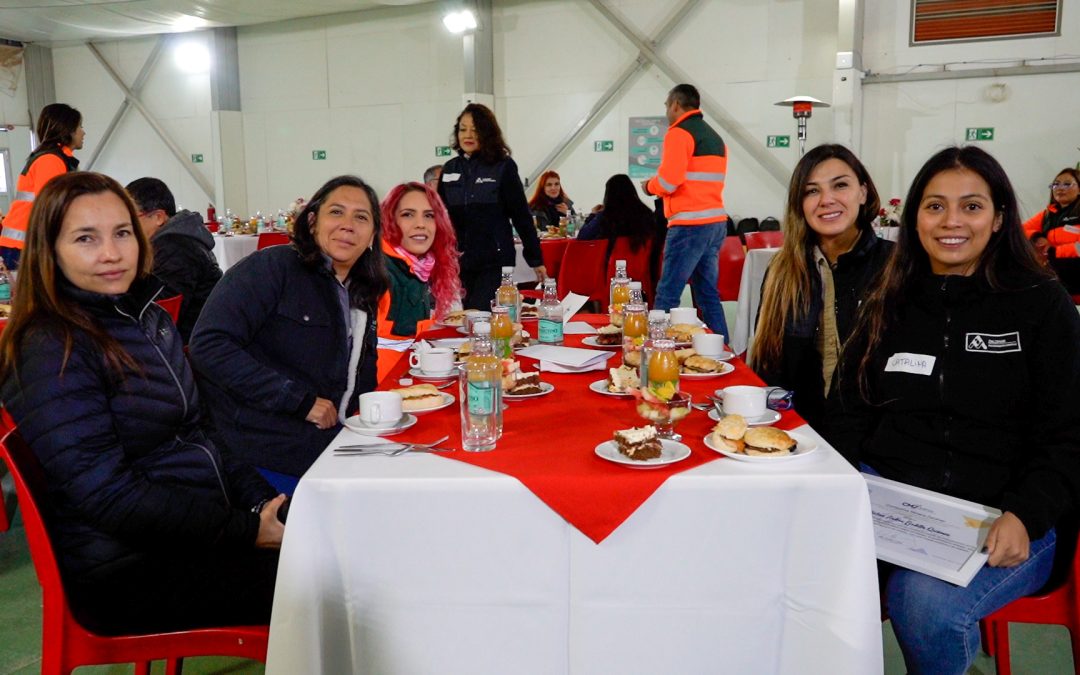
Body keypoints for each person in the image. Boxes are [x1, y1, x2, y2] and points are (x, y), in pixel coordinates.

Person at [831, 146, 1080, 675]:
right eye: (935, 206)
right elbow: (849, 411)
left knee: (923, 604)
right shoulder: (888, 299)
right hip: (895, 501)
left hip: (1006, 515)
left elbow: (1068, 432)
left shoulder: (1040, 303)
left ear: (999, 218)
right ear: (915, 216)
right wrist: (841, 486)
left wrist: (1026, 513)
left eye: (971, 207)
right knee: (797, 570)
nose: (951, 222)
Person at [0, 171, 283, 635]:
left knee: (338, 545)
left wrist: (263, 506)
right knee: (327, 588)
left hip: (192, 531)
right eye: (86, 238)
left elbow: (204, 433)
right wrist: (249, 531)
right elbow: (109, 497)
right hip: (125, 570)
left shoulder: (145, 317)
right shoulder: (50, 346)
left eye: (122, 233)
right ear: (49, 250)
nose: (111, 253)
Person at [189, 175, 386, 495]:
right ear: (312, 221)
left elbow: (364, 374)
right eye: (336, 212)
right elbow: (208, 345)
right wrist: (299, 402)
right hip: (267, 447)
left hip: (336, 440)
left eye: (361, 217)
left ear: (372, 235)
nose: (348, 225)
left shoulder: (362, 292)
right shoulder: (272, 268)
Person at [749, 144, 892, 430]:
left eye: (840, 185)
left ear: (863, 192)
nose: (826, 199)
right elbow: (769, 366)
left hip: (877, 440)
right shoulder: (782, 272)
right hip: (800, 433)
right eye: (812, 191)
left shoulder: (896, 266)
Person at [438, 103, 545, 309]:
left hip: (495, 261)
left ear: (487, 133)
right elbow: (440, 218)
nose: (467, 135)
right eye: (463, 129)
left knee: (481, 316)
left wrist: (535, 258)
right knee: (462, 320)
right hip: (459, 261)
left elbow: (521, 215)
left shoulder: (503, 166)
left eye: (475, 129)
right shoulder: (450, 169)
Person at [642, 83, 729, 336]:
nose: (667, 111)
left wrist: (648, 186)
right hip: (715, 222)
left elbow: (669, 181)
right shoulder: (715, 137)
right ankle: (723, 351)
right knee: (708, 295)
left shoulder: (679, 133)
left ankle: (658, 351)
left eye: (667, 106)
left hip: (689, 225)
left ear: (676, 105)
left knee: (668, 293)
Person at [125, 177, 223, 343]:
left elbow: (161, 310)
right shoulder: (174, 241)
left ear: (158, 217)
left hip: (192, 343)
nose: (126, 226)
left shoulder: (175, 250)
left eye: (131, 219)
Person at [1, 103, 85, 269]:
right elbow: (52, 206)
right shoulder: (51, 160)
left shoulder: (59, 159)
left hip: (26, 245)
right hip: (22, 247)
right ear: (68, 130)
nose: (83, 132)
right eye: (79, 126)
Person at [377, 182, 462, 337]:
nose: (420, 224)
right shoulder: (377, 271)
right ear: (389, 220)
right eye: (407, 214)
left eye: (429, 215)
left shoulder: (438, 264)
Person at [1022, 168, 1080, 291]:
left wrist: (1055, 252)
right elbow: (1019, 230)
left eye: (1067, 184)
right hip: (1055, 283)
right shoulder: (1047, 214)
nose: (1060, 188)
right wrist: (1037, 237)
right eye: (1055, 184)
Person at [577, 173, 658, 258]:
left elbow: (583, 236)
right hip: (641, 266)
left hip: (614, 267)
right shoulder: (646, 213)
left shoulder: (605, 216)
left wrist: (593, 215)